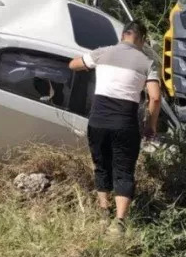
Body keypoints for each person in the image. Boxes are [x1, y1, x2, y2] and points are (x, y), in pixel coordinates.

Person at [69, 21, 161, 229]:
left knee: (101, 165)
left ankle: (103, 212)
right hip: (125, 123)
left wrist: (91, 65)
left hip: (98, 121)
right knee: (124, 170)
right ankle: (119, 222)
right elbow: (155, 98)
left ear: (123, 35)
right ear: (142, 38)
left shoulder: (103, 53)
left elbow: (73, 64)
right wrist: (150, 125)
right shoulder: (147, 62)